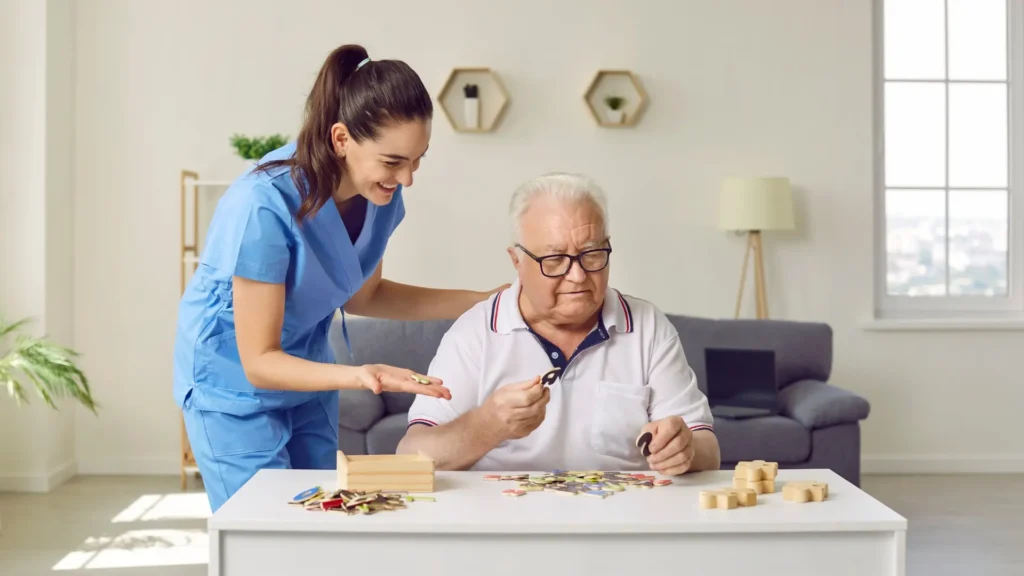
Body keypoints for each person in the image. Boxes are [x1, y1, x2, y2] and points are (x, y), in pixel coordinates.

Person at [174, 44, 506, 512]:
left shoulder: (380, 197)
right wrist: (362, 374)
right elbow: (259, 360)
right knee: (266, 530)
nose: (407, 179)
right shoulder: (262, 205)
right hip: (231, 383)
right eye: (393, 162)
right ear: (341, 139)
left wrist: (484, 300)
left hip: (306, 370)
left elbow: (365, 295)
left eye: (417, 160)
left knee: (321, 520)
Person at [397, 173, 721, 475]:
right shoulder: (475, 333)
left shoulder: (647, 326)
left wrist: (685, 449)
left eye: (592, 254)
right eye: (554, 261)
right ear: (517, 261)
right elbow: (410, 457)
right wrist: (487, 425)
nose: (578, 276)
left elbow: (707, 448)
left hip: (619, 524)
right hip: (505, 525)